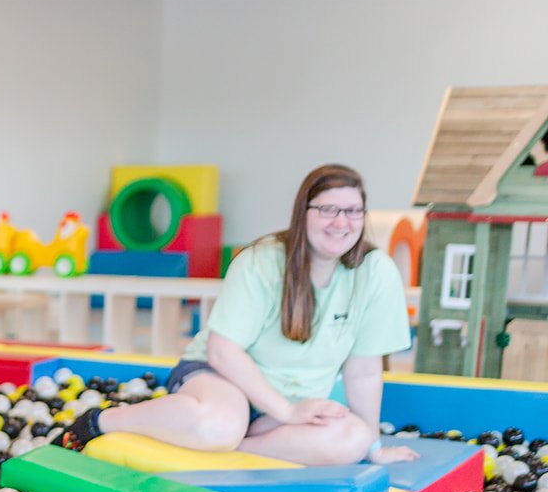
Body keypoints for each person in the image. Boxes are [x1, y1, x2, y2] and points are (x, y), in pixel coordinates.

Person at [58, 164, 418, 467]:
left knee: (352, 440)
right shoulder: (262, 261)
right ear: (303, 213)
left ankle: (225, 447)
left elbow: (365, 371)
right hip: (222, 379)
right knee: (220, 425)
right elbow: (222, 351)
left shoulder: (375, 272)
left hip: (285, 408)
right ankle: (103, 419)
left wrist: (374, 447)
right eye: (328, 210)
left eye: (353, 211)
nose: (341, 222)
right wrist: (287, 414)